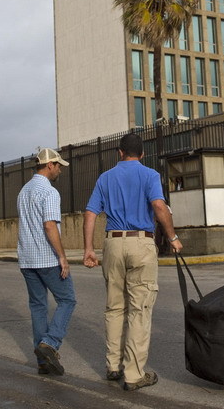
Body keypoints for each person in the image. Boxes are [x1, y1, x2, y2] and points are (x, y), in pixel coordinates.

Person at [82, 133, 183, 391]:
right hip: (141, 242)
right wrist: (173, 237)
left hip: (113, 243)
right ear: (142, 154)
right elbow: (159, 207)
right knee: (140, 309)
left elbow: (91, 213)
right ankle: (133, 374)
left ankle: (113, 366)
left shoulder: (105, 178)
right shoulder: (149, 175)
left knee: (115, 308)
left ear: (119, 152)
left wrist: (88, 249)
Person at [17, 147, 77, 375]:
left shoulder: (24, 191)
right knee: (68, 300)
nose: (60, 170)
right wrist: (63, 257)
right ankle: (50, 344)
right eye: (58, 165)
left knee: (38, 306)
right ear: (50, 165)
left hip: (27, 259)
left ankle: (43, 363)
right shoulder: (50, 192)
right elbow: (49, 225)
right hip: (47, 258)